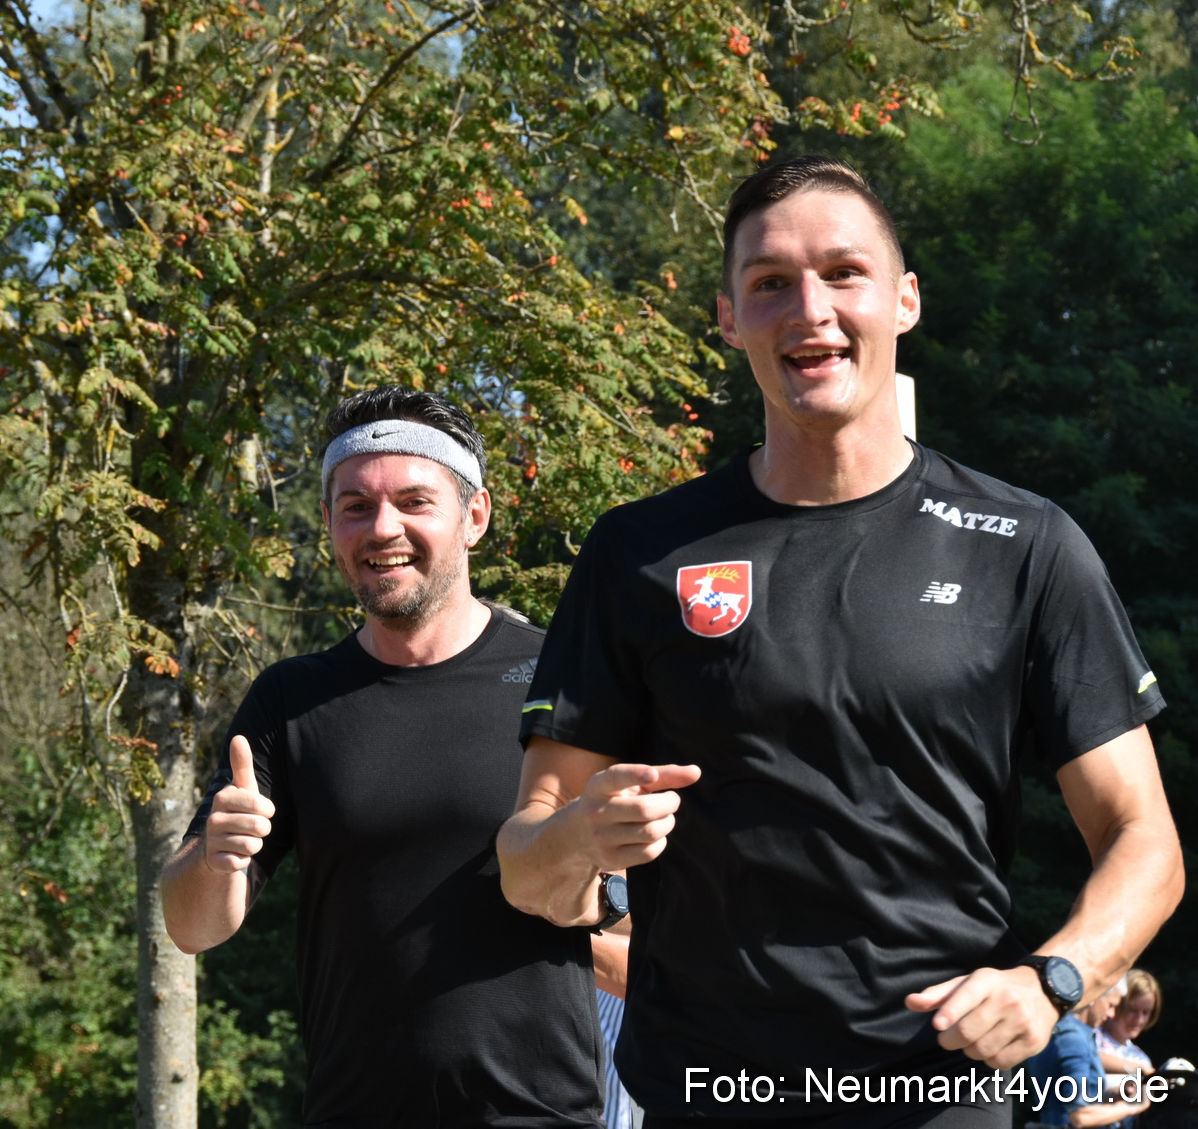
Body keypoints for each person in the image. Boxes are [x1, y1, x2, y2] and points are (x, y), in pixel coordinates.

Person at [495, 156, 1184, 1128]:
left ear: (903, 300)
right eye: (770, 284)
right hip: (707, 1092)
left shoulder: (1027, 544)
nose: (809, 309)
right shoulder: (636, 553)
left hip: (933, 1092)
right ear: (728, 319)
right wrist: (573, 840)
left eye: (843, 273)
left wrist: (1050, 981)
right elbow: (525, 865)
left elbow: (1143, 838)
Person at [159, 386, 613, 1127]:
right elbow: (192, 926)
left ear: (475, 516)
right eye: (355, 506)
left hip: (538, 1114)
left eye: (413, 500)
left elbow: (651, 906)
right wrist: (214, 856)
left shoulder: (559, 674)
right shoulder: (292, 700)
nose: (383, 528)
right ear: (330, 524)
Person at [1028, 981, 1149, 1127]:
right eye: (1110, 1005)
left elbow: (1079, 1097)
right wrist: (1133, 1106)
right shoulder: (1073, 1038)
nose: (1112, 1014)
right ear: (1094, 997)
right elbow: (1080, 1116)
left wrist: (1118, 1095)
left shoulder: (1068, 1032)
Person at [1099, 969, 1162, 1080]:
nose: (1139, 1019)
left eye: (1146, 1012)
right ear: (1117, 1002)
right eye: (1132, 1010)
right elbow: (1088, 1057)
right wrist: (1138, 1069)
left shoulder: (1141, 1058)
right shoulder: (1093, 1035)